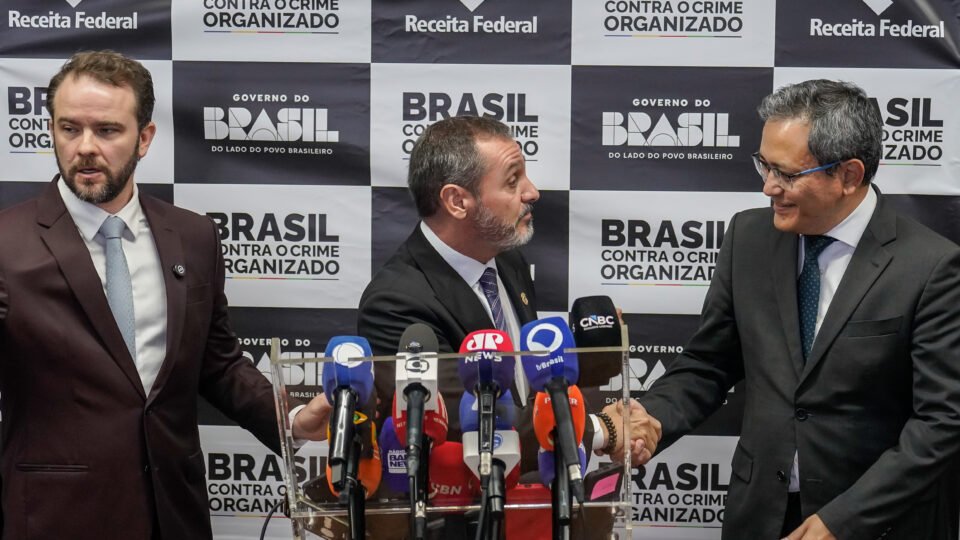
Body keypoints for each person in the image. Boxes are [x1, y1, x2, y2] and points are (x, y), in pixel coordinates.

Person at [0, 50, 332, 539]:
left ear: (144, 138)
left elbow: (219, 365)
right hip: (55, 517)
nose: (85, 147)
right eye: (69, 129)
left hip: (173, 513)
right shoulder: (7, 244)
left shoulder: (193, 237)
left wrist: (293, 421)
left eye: (107, 130)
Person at [634, 80, 960, 540]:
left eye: (786, 174)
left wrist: (843, 521)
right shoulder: (748, 237)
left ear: (849, 175)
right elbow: (709, 363)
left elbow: (942, 421)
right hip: (760, 516)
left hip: (875, 523)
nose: (768, 187)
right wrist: (652, 417)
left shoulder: (931, 267)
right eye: (764, 165)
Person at [357, 116, 648, 539]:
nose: (532, 192)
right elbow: (475, 429)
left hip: (533, 512)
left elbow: (520, 385)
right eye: (513, 181)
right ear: (457, 201)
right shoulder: (395, 303)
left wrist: (591, 358)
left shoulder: (506, 259)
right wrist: (603, 429)